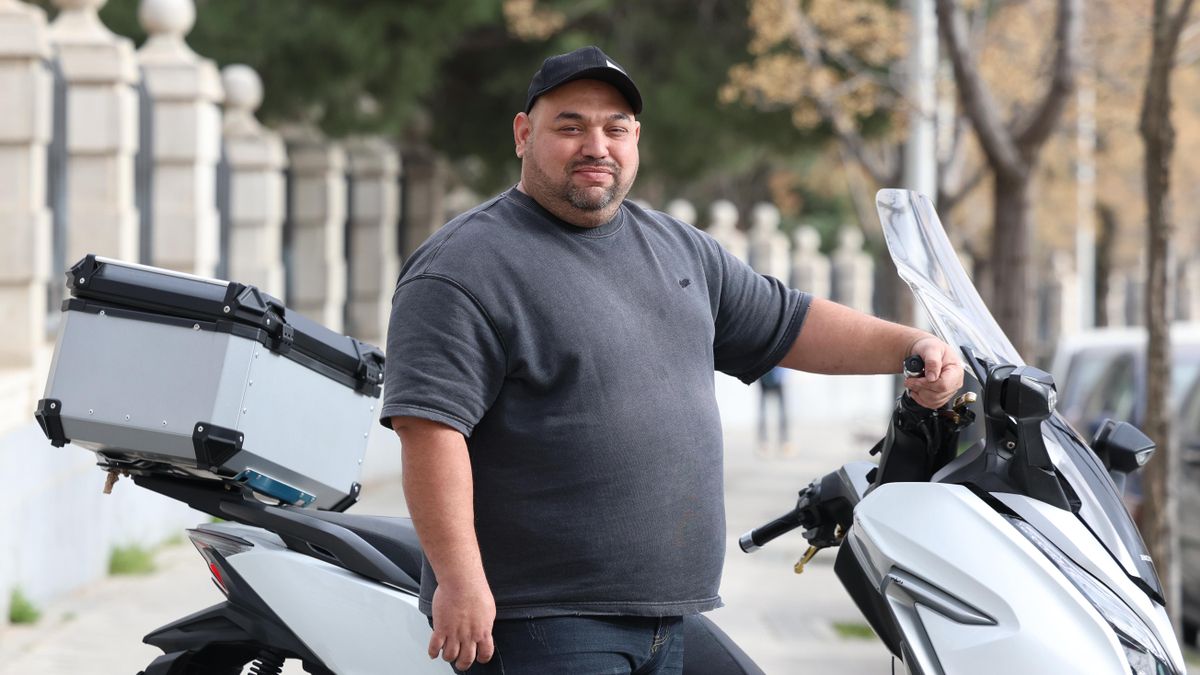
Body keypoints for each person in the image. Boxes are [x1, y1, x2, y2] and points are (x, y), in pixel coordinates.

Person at [380, 45, 963, 674]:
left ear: (636, 139)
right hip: (541, 620)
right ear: (524, 134)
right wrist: (460, 581)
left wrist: (912, 347)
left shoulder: (678, 249)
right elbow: (429, 430)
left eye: (615, 129)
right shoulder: (464, 267)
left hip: (669, 616)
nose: (596, 146)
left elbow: (790, 322)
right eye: (570, 127)